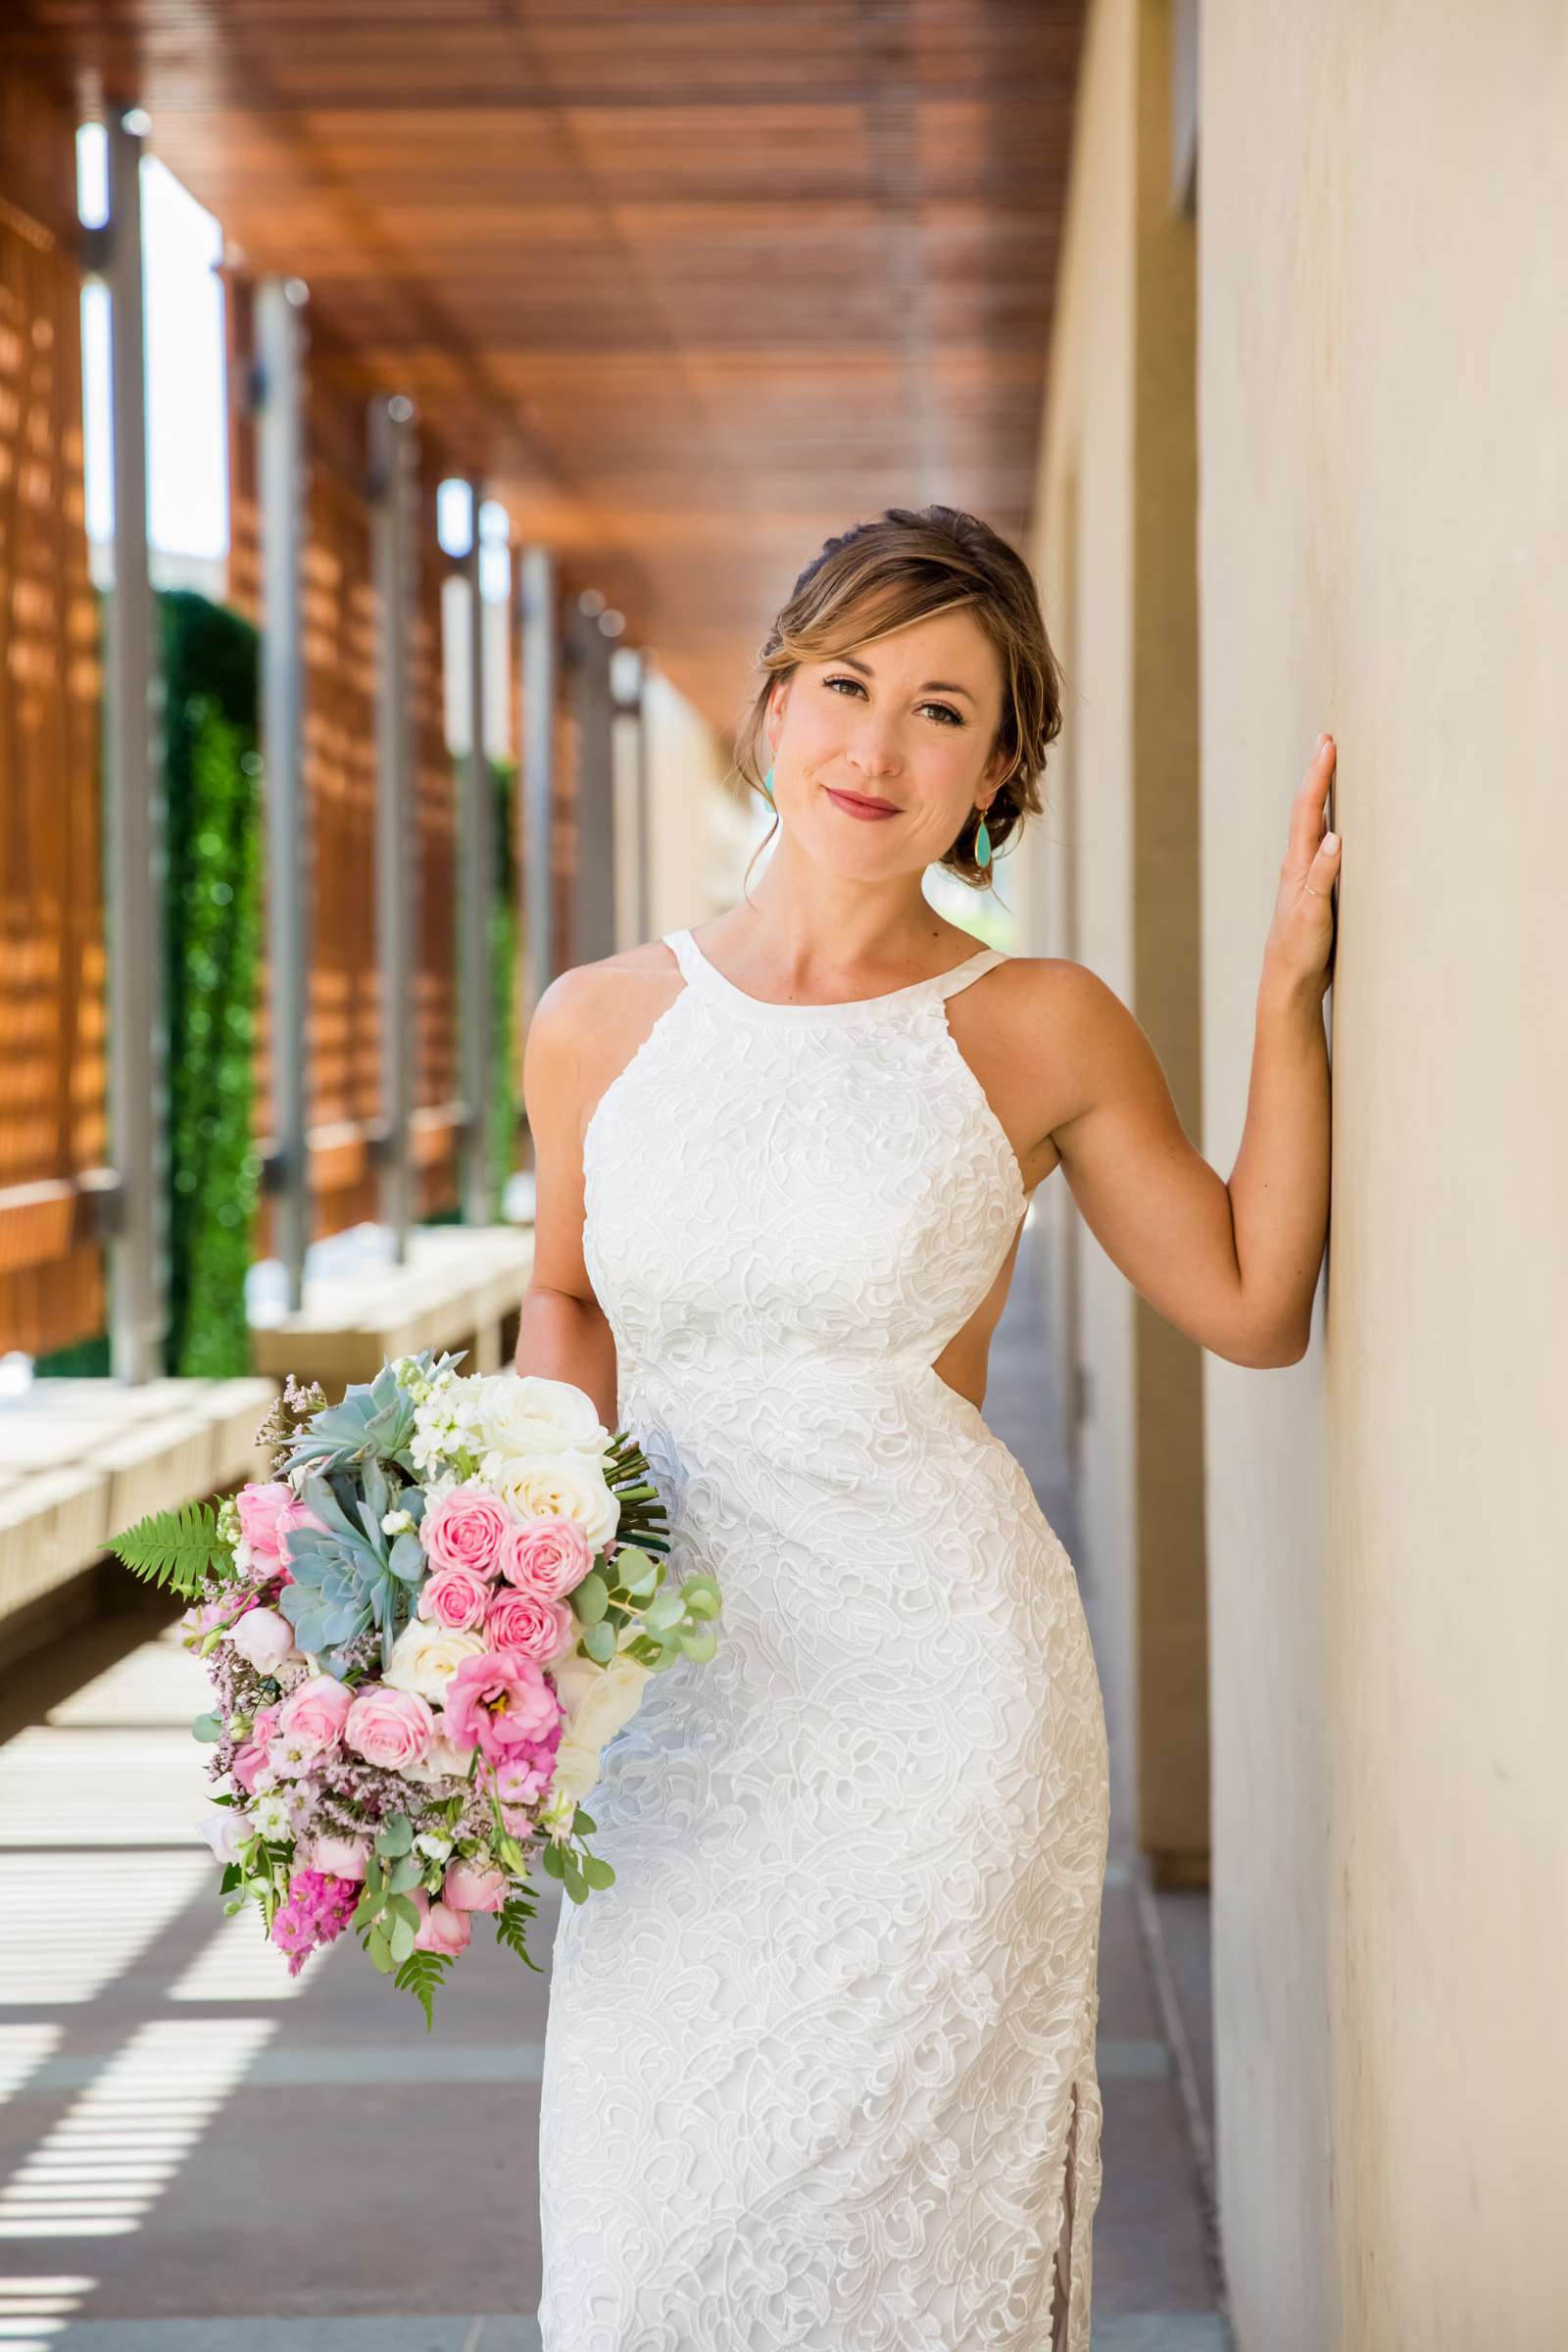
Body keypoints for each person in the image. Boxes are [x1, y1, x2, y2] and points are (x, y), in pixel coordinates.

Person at [519, 505, 1340, 2350]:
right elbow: (567, 1301)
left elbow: (1247, 1302)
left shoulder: (1040, 1022)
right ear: (774, 699)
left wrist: (1288, 998)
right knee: (650, 2248)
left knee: (908, 2252)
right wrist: (512, 1583)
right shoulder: (595, 1020)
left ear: (1003, 766)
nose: (876, 749)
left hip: (946, 1721)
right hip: (676, 1720)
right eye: (845, 683)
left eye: (943, 710)